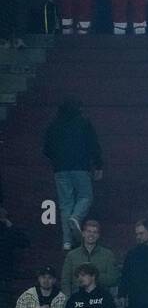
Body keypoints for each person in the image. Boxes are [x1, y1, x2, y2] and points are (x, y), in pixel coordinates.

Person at [44, 100, 103, 252]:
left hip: (60, 169)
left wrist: (57, 160)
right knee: (85, 196)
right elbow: (93, 145)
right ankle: (76, 217)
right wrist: (98, 165)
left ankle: (67, 242)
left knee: (65, 205)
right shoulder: (83, 123)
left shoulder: (53, 125)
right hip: (80, 167)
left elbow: (46, 149)